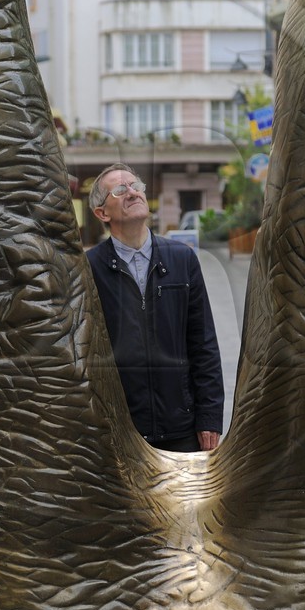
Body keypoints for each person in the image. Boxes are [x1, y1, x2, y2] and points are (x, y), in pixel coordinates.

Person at [86, 165, 224, 452]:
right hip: (119, 430)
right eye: (120, 190)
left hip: (181, 427)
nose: (133, 192)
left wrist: (209, 417)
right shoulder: (89, 268)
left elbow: (203, 344)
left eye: (135, 186)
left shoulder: (182, 259)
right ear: (102, 213)